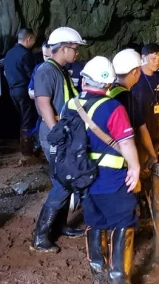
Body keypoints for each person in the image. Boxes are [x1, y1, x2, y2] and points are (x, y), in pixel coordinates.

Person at [64, 57, 140, 283]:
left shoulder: (70, 105)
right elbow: (125, 142)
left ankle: (98, 272)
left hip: (83, 178)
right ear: (108, 85)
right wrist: (135, 167)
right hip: (112, 179)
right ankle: (118, 276)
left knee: (95, 221)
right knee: (123, 221)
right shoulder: (113, 107)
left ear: (84, 79)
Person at [31, 27, 87, 252]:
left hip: (64, 132)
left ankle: (60, 225)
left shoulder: (60, 70)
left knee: (67, 181)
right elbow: (43, 102)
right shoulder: (47, 70)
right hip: (55, 134)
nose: (77, 53)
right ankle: (40, 236)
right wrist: (57, 131)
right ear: (63, 48)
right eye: (75, 48)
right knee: (63, 183)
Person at [110, 48, 156, 168]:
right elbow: (142, 129)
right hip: (123, 156)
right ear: (135, 71)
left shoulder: (109, 90)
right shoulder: (127, 97)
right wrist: (152, 155)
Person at [3, 28, 38, 155]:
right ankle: (27, 150)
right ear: (28, 39)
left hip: (12, 91)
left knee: (23, 119)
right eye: (33, 39)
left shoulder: (9, 53)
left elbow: (6, 73)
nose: (34, 42)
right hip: (24, 91)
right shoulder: (25, 54)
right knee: (28, 119)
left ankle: (25, 147)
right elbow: (32, 74)